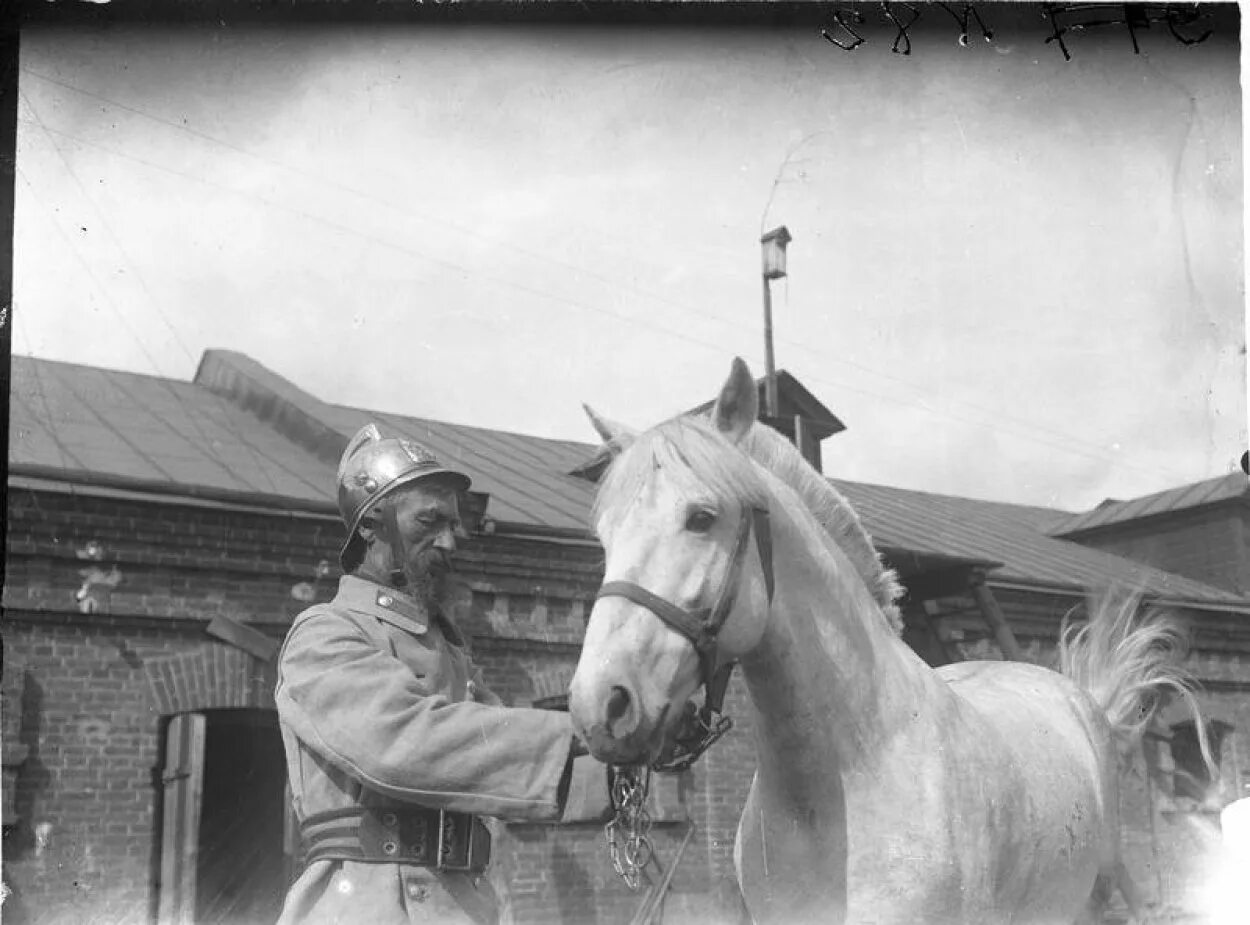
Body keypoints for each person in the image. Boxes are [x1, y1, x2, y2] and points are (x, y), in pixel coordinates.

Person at [275, 424, 600, 925]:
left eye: (455, 524)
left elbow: (503, 750)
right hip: (365, 906)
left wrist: (632, 752)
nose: (451, 540)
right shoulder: (324, 633)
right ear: (371, 525)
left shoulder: (447, 649)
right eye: (430, 520)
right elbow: (404, 742)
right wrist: (577, 731)